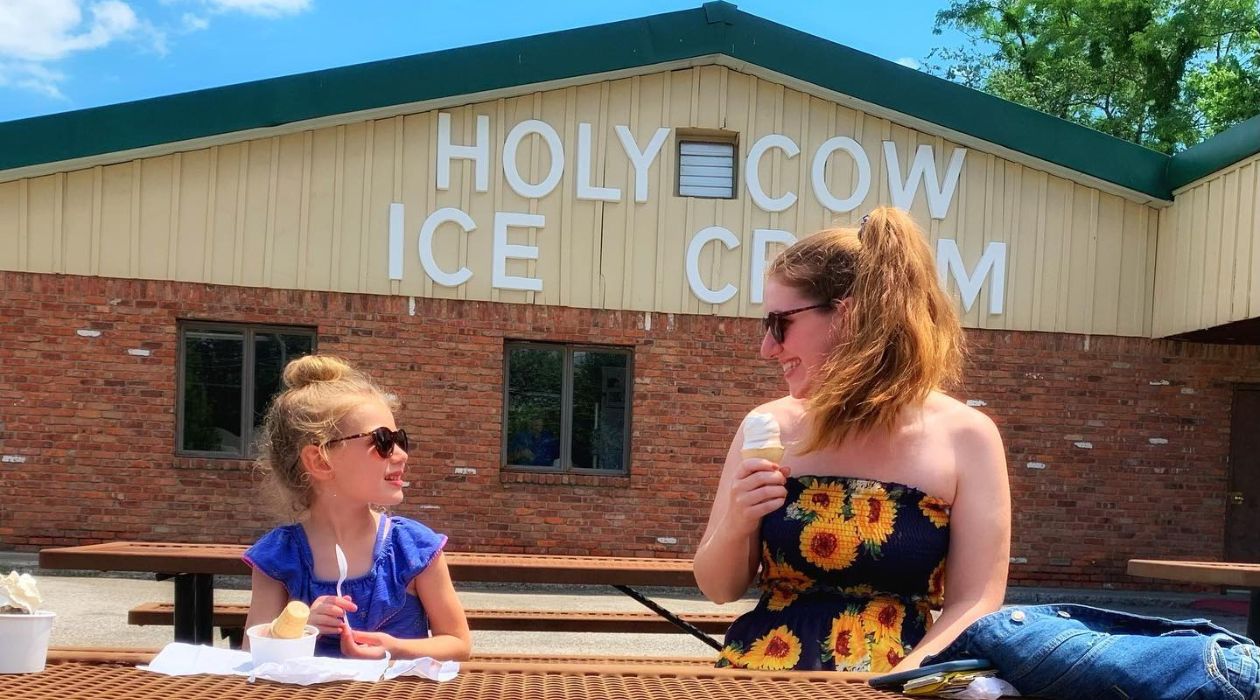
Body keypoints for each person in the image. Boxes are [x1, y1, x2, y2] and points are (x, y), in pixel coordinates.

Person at [693, 207, 1010, 673]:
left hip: (900, 680)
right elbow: (717, 588)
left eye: (780, 323)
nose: (767, 348)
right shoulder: (767, 426)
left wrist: (899, 683)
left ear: (850, 317)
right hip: (760, 679)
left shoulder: (967, 437)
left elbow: (975, 602)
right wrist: (739, 520)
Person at [242, 354, 471, 660]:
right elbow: (251, 653)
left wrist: (395, 647)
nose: (401, 454)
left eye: (400, 439)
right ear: (321, 460)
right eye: (382, 441)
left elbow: (457, 643)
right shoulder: (279, 557)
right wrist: (300, 628)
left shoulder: (413, 549)